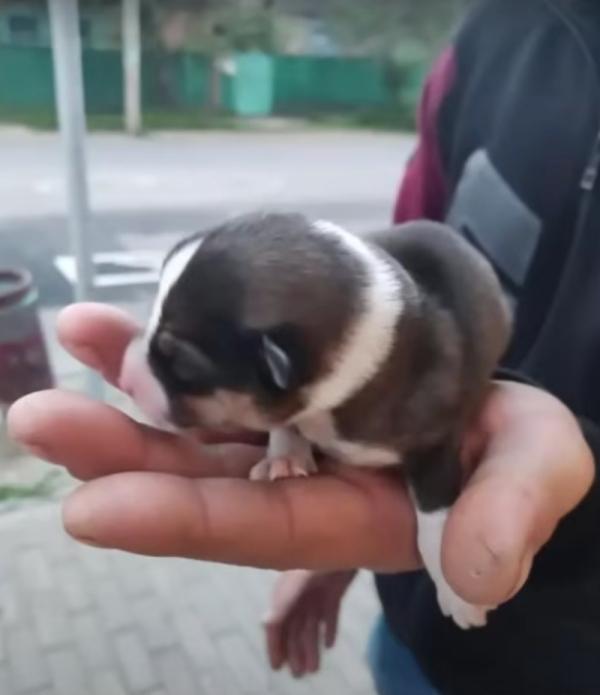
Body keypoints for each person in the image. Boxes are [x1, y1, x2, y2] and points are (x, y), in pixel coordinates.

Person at [6, 0, 599, 692]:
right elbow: (377, 253)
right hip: (407, 629)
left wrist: (568, 505)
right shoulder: (503, 28)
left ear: (286, 368)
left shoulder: (408, 408)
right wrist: (324, 535)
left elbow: (423, 445)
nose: (138, 370)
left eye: (178, 362)